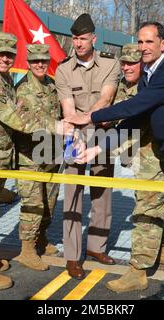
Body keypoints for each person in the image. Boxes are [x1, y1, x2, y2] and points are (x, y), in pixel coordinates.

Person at [65, 22, 164, 300]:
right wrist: (97, 149)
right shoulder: (149, 77)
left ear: (163, 44)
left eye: (149, 42)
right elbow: (134, 120)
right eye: (140, 42)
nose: (143, 47)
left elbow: (134, 106)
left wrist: (91, 116)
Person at [0, 31, 72, 290]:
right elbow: (17, 119)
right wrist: (57, 126)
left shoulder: (5, 79)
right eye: (0, 53)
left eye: (9, 54)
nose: (5, 58)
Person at [55, 13, 121, 279]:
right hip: (74, 134)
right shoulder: (63, 69)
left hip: (102, 132)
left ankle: (96, 247)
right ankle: (72, 256)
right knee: (72, 197)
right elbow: (68, 109)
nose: (78, 43)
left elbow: (106, 99)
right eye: (74, 38)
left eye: (83, 38)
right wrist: (77, 138)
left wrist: (88, 122)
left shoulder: (110, 64)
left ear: (93, 38)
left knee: (102, 195)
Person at [104, 44, 164, 293]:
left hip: (154, 157)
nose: (127, 67)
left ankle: (138, 270)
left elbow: (135, 126)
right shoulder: (123, 85)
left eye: (132, 63)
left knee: (147, 208)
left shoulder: (149, 87)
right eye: (124, 63)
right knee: (158, 204)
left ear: (143, 64)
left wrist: (101, 150)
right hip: (140, 158)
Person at [14, 44, 61, 271]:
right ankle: (27, 249)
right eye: (35, 61)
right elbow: (22, 124)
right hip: (29, 158)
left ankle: (42, 238)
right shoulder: (22, 90)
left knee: (49, 203)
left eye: (44, 60)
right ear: (28, 63)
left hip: (51, 156)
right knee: (33, 204)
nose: (40, 64)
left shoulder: (51, 86)